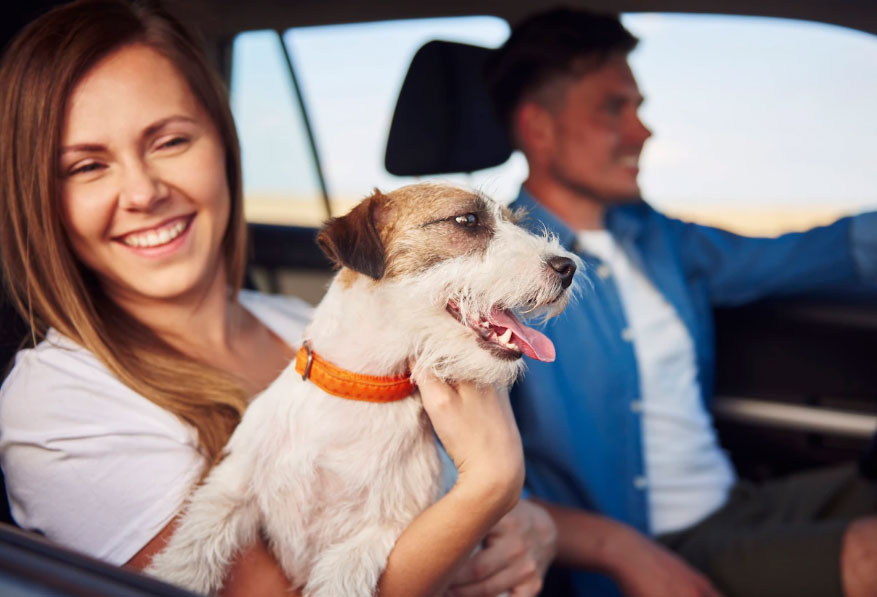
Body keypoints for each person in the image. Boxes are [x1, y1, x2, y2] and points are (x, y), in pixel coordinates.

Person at [0, 1, 554, 595]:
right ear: (41, 198)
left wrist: (546, 526)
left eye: (169, 141)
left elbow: (438, 497)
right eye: (86, 165)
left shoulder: (313, 327)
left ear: (224, 144)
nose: (142, 192)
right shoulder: (60, 404)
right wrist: (490, 486)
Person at [484, 8, 877, 597]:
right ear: (539, 128)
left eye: (638, 108)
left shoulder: (660, 241)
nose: (643, 131)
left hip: (734, 505)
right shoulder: (491, 272)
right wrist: (619, 550)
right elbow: (454, 473)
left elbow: (813, 255)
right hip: (634, 551)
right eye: (615, 108)